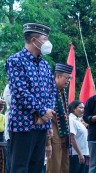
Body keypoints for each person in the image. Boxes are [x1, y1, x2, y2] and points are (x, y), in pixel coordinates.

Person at [5, 22, 56, 173]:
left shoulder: (45, 65)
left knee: (37, 167)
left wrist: (46, 114)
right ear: (34, 40)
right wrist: (41, 112)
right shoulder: (15, 61)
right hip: (23, 125)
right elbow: (20, 92)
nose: (47, 42)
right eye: (45, 38)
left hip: (41, 126)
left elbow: (52, 92)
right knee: (20, 168)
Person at [46, 63, 73, 173]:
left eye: (69, 78)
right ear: (58, 76)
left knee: (64, 166)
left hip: (64, 134)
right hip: (53, 132)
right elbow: (47, 116)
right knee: (54, 167)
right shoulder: (49, 91)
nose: (68, 81)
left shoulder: (63, 92)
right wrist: (47, 142)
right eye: (67, 78)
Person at [69, 100, 89, 173]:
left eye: (83, 108)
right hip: (75, 154)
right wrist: (79, 154)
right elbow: (72, 138)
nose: (83, 110)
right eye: (80, 108)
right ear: (74, 109)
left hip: (82, 153)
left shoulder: (78, 120)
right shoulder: (71, 120)